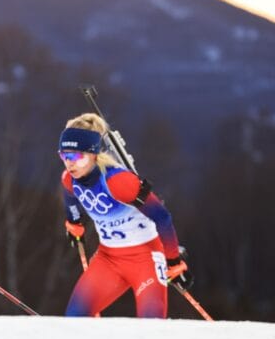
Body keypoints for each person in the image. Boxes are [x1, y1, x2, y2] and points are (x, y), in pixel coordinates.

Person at [58, 112, 193, 318]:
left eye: (76, 156)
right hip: (108, 259)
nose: (70, 163)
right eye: (64, 156)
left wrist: (174, 262)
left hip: (146, 259)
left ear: (94, 153)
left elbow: (162, 217)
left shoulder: (118, 181)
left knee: (151, 325)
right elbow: (70, 196)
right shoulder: (70, 179)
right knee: (74, 318)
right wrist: (74, 222)